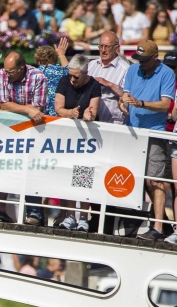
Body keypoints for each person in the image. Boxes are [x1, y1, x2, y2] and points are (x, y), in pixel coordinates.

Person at [120, 40, 174, 240]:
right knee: (135, 180)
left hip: (154, 132)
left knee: (155, 180)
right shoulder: (133, 70)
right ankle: (151, 223)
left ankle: (158, 227)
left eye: (144, 60)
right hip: (132, 132)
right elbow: (126, 94)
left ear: (155, 57)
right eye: (138, 59)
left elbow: (165, 105)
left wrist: (140, 103)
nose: (140, 63)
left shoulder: (166, 73)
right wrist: (123, 103)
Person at [0, 51, 49, 225]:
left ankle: (34, 213)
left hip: (34, 132)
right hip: (9, 131)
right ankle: (2, 211)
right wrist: (26, 109)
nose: (7, 74)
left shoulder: (38, 77)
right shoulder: (3, 73)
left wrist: (24, 109)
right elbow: (3, 104)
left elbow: (38, 109)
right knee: (4, 168)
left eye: (11, 72)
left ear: (21, 68)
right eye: (6, 71)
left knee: (31, 170)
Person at [54, 55, 101, 232]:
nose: (72, 80)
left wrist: (89, 115)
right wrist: (70, 113)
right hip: (68, 137)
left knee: (84, 175)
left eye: (76, 77)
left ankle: (83, 217)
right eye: (71, 75)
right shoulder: (64, 81)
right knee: (68, 175)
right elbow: (59, 108)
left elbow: (93, 110)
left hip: (87, 139)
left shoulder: (94, 85)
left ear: (85, 73)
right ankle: (70, 215)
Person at [88, 31, 129, 124]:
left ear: (117, 48)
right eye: (101, 46)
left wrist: (109, 85)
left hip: (113, 124)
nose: (103, 50)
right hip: (92, 122)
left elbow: (128, 96)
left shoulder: (125, 69)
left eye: (107, 46)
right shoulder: (92, 65)